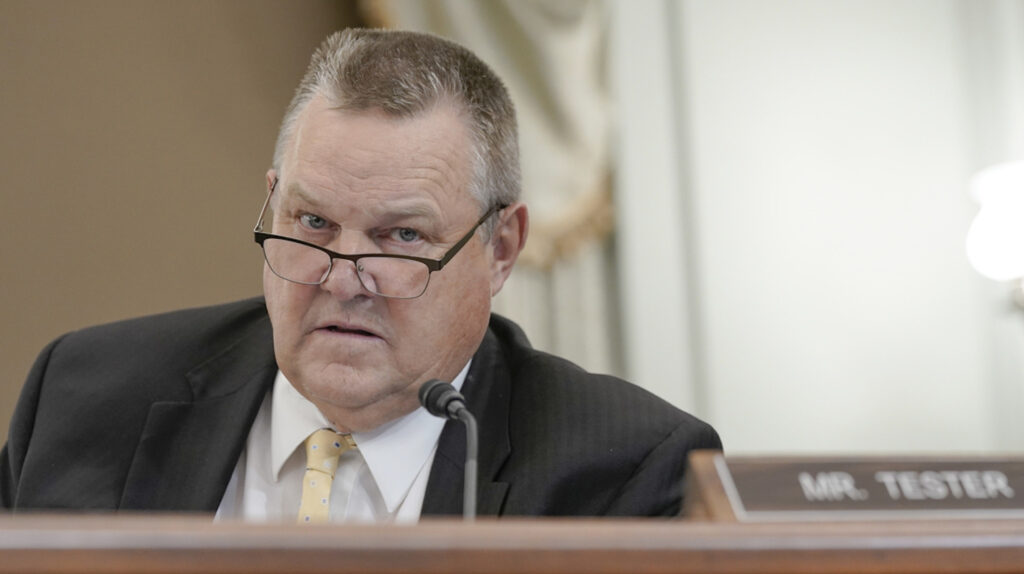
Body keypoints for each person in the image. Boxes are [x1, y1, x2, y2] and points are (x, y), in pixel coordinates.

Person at [0, 29, 720, 520]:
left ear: (501, 248)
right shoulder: (83, 398)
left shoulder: (628, 471)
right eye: (311, 224)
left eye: (400, 236)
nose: (342, 279)